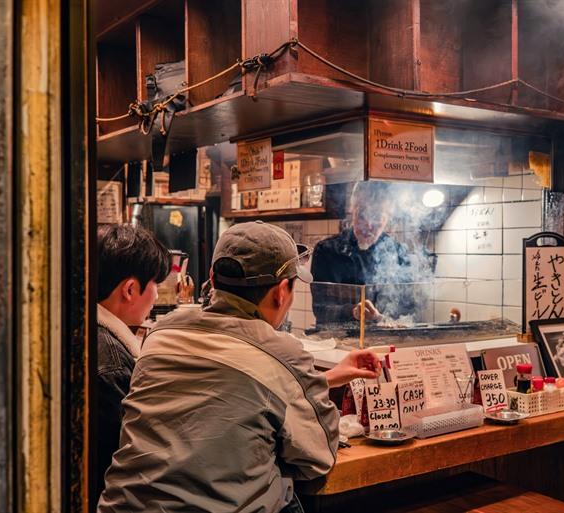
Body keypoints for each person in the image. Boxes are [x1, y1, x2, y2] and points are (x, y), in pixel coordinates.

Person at [98, 221, 380, 513]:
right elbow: (317, 457)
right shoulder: (284, 354)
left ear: (212, 278)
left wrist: (326, 379)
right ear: (281, 292)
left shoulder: (160, 334)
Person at [95, 224, 171, 499]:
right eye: (155, 285)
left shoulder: (84, 331)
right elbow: (116, 462)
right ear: (129, 289)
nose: (157, 296)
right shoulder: (111, 366)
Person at [310, 182, 419, 327]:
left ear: (388, 218)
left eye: (376, 217)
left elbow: (408, 307)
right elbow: (321, 308)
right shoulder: (327, 250)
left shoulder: (399, 254)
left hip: (386, 339)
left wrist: (382, 318)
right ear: (352, 211)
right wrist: (354, 311)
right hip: (336, 341)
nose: (368, 225)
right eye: (362, 215)